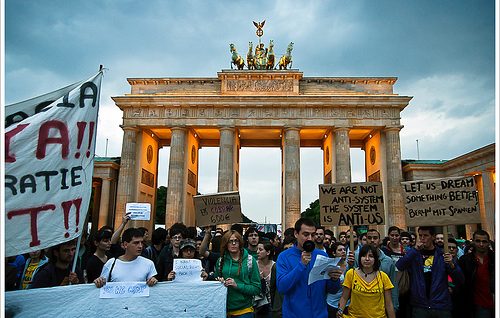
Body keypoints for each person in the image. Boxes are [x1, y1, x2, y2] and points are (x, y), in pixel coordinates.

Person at [276, 218, 342, 318]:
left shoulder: (322, 255)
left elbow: (332, 290)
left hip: (320, 314)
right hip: (293, 315)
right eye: (306, 235)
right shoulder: (284, 257)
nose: (310, 239)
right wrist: (301, 265)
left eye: (313, 234)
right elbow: (282, 287)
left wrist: (334, 279)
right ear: (296, 234)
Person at [395, 226, 464, 318]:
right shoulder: (415, 254)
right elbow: (400, 265)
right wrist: (414, 250)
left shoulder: (442, 255)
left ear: (433, 237)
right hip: (420, 304)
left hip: (440, 304)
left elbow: (460, 279)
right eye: (420, 236)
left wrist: (452, 265)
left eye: (426, 235)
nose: (423, 238)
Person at [338, 244, 396, 318]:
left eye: (371, 256)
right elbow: (344, 297)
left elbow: (389, 304)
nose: (367, 259)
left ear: (375, 259)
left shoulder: (383, 277)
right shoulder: (351, 274)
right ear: (359, 258)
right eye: (364, 256)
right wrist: (340, 310)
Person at [215, 230, 261, 317]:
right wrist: (219, 281)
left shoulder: (250, 261)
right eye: (230, 241)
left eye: (236, 241)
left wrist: (237, 285)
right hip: (223, 309)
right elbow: (215, 283)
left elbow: (256, 288)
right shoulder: (221, 261)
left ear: (240, 243)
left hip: (244, 310)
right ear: (225, 244)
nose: (233, 243)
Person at [457, 230, 494, 318]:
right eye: (478, 241)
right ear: (473, 242)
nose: (481, 244)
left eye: (484, 241)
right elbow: (460, 280)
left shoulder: (495, 259)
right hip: (477, 305)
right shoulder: (465, 260)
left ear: (488, 243)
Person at [326, 242, 348, 318]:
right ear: (334, 253)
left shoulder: (350, 265)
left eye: (344, 250)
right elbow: (328, 288)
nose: (343, 251)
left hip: (347, 304)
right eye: (340, 250)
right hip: (332, 304)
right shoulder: (330, 267)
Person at [255, 241, 275, 318]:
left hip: (271, 303)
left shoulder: (274, 266)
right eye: (257, 249)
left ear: (268, 252)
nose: (257, 252)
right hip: (257, 304)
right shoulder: (254, 265)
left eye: (260, 250)